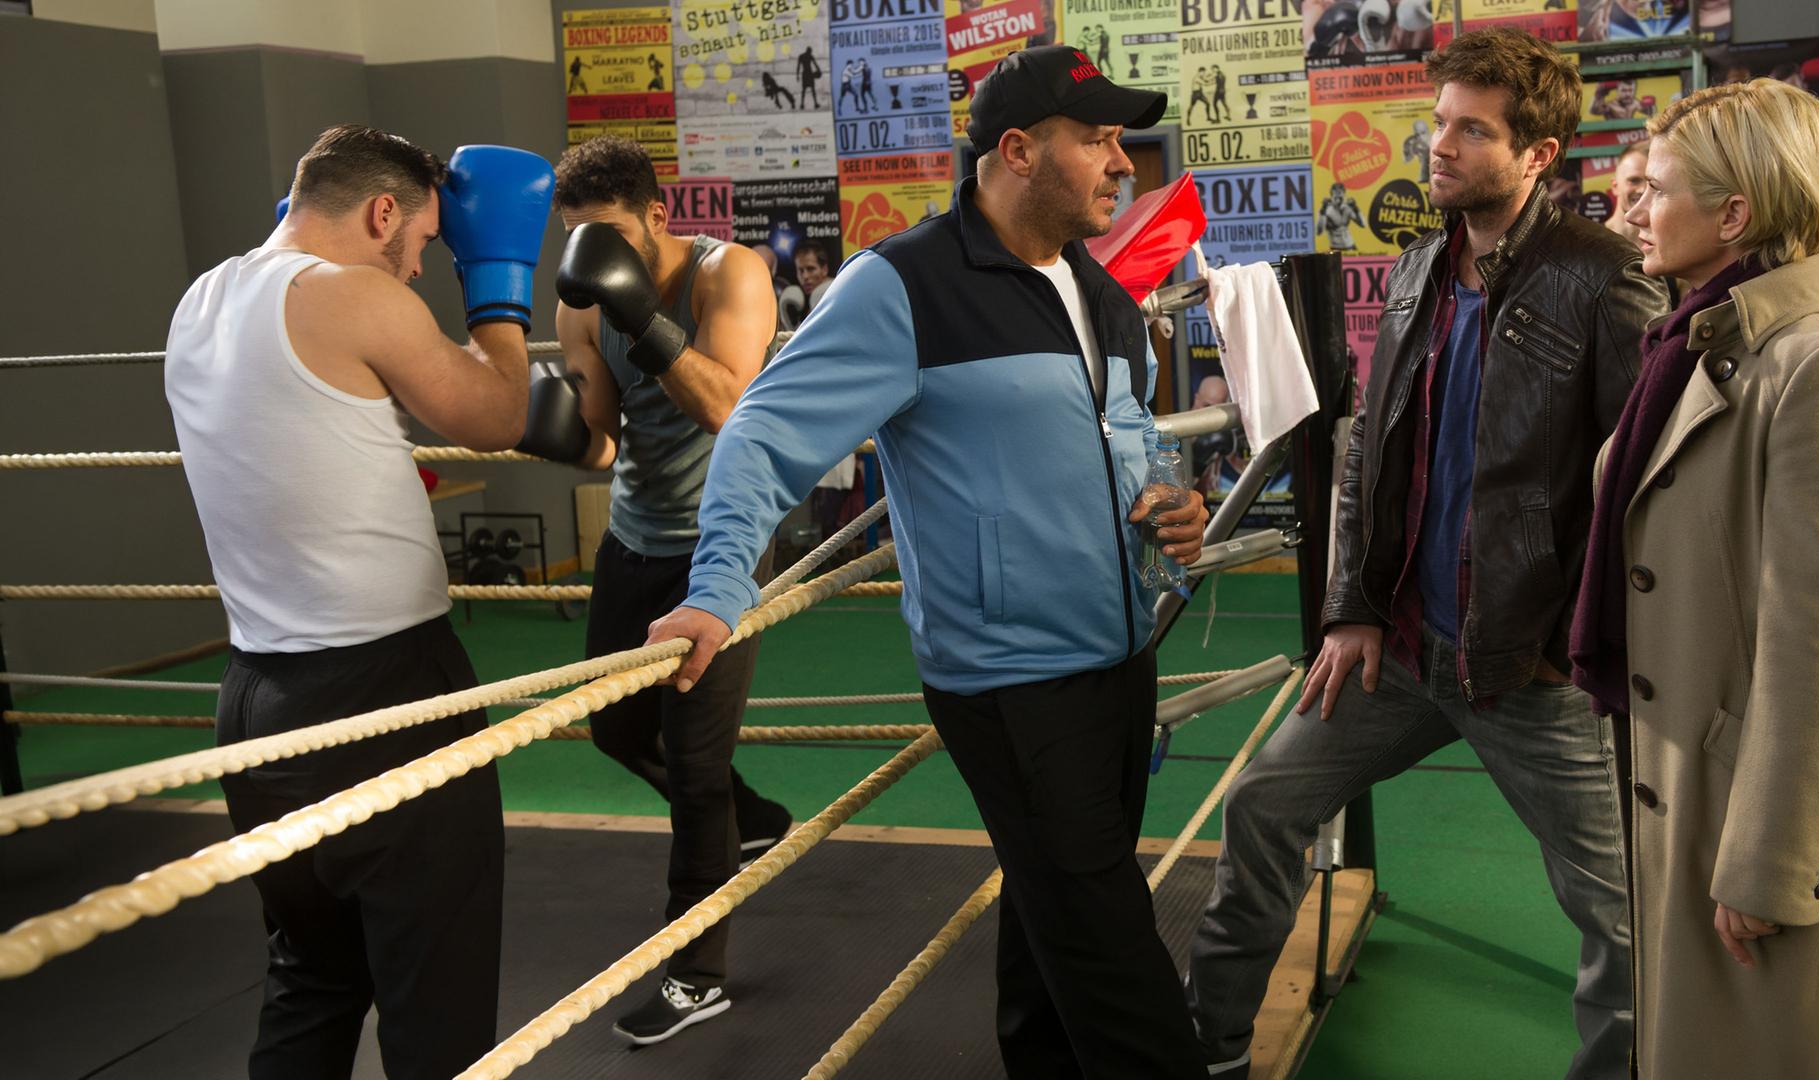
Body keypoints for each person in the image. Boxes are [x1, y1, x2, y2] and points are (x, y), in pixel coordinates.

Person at [643, 44, 1213, 1078]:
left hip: (1121, 655)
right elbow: (759, 435)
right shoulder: (901, 286)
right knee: (1112, 951)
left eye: (1120, 141)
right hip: (1012, 681)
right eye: (1094, 141)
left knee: (1053, 922)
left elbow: (1123, 436)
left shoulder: (1100, 291)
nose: (1121, 163)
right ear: (1017, 152)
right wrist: (719, 588)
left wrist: (1174, 508)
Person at [1186, 29, 1668, 1080]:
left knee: (1625, 920)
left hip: (1528, 672)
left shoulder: (1605, 278)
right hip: (1403, 645)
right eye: (1437, 121)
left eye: (1470, 130)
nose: (1436, 145)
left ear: (1539, 154)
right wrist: (1352, 602)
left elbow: (1642, 493)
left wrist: (1572, 644)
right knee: (1264, 804)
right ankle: (1211, 1053)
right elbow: (1370, 453)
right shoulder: (1414, 268)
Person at [165, 125, 568, 1079]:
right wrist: (499, 282)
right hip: (385, 694)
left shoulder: (202, 298)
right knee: (439, 1002)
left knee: (313, 975)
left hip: (255, 703)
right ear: (381, 212)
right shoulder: (355, 295)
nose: (425, 263)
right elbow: (498, 414)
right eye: (425, 240)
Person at [1575, 78, 1819, 1079]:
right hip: (1687, 795)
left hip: (1757, 822)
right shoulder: (1689, 348)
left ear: (1734, 214)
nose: (1631, 208)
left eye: (1658, 189)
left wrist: (1771, 865)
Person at [545, 135, 791, 1047]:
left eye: (604, 235)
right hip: (633, 540)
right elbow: (605, 438)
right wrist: (552, 427)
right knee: (614, 728)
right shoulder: (581, 297)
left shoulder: (733, 276)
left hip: (720, 550)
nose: (588, 256)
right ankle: (754, 817)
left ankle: (698, 974)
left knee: (692, 774)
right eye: (574, 238)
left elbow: (729, 405)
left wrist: (640, 312)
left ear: (658, 214)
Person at [1602, 142, 1649, 239]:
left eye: (1651, 182)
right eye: (1634, 181)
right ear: (1615, 186)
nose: (1643, 189)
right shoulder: (1589, 241)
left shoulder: (1666, 246)